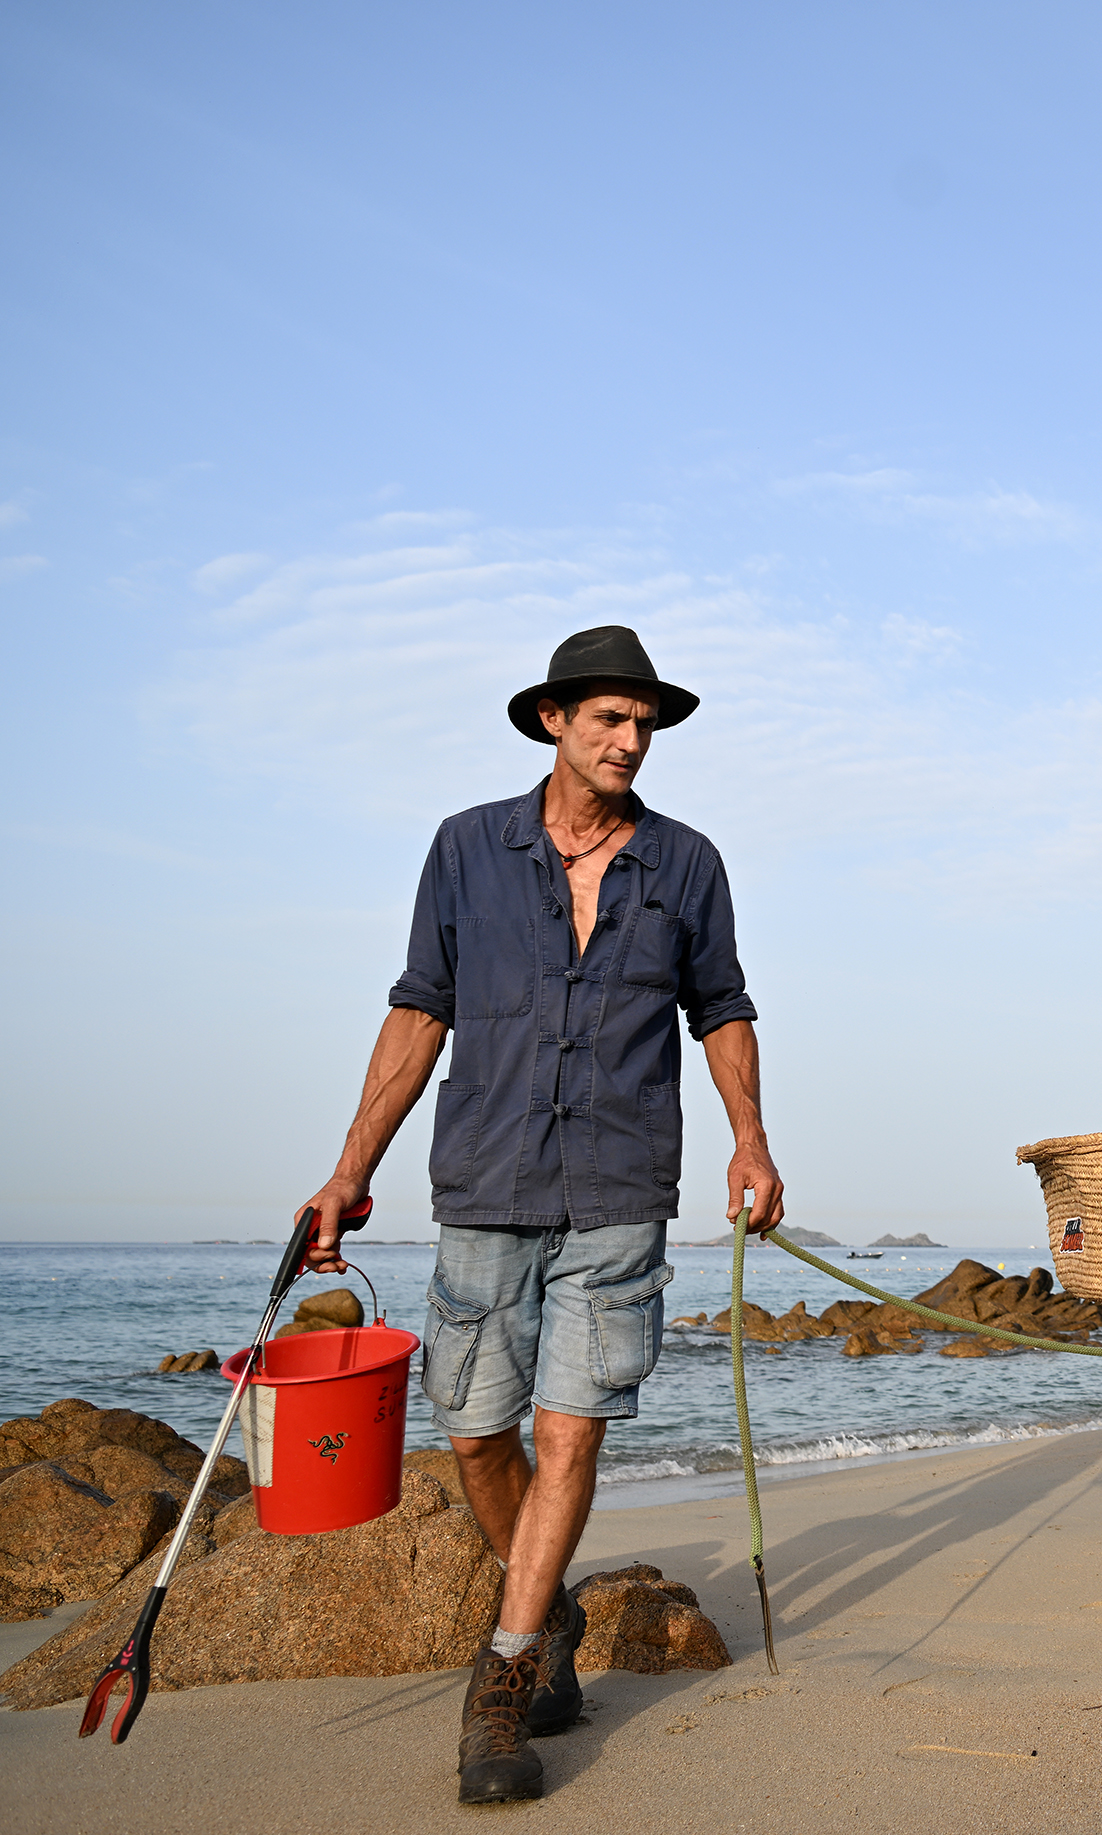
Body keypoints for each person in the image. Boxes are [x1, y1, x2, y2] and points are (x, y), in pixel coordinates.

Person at [295, 625, 784, 1804]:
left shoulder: (688, 862)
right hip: (484, 1181)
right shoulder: (466, 847)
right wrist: (350, 1164)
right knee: (474, 1430)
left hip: (620, 1186)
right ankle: (550, 1606)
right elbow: (420, 1010)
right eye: (609, 718)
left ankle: (504, 1680)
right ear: (554, 721)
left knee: (571, 1431)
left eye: (644, 722)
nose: (631, 739)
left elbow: (719, 1006)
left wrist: (752, 1135)